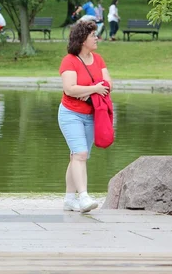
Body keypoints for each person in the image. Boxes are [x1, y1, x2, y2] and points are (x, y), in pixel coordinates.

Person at [58, 20, 112, 213]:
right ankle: (83, 197)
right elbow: (70, 89)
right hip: (71, 114)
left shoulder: (98, 59)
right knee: (80, 154)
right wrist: (95, 88)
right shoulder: (69, 61)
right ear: (82, 39)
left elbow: (108, 84)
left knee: (78, 156)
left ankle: (69, 199)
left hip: (91, 115)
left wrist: (89, 91)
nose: (96, 38)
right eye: (92, 35)